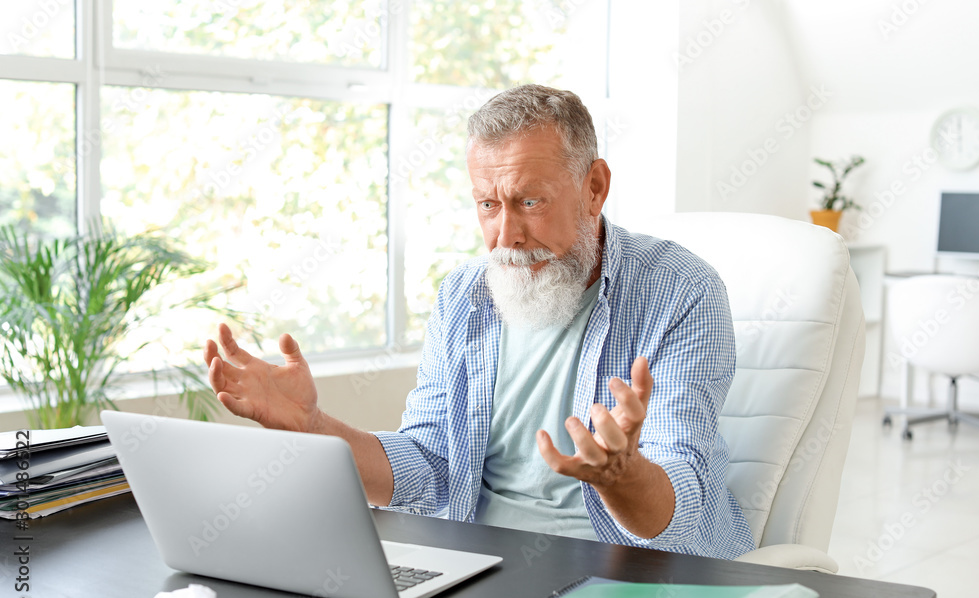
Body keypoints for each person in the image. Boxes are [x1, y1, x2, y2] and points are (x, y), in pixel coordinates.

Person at [204, 84, 754, 559]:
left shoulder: (681, 290)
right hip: (478, 566)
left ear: (595, 188)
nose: (507, 235)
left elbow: (686, 507)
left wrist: (622, 475)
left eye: (530, 202)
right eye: (488, 205)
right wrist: (313, 426)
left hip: (622, 568)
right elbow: (430, 465)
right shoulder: (465, 295)